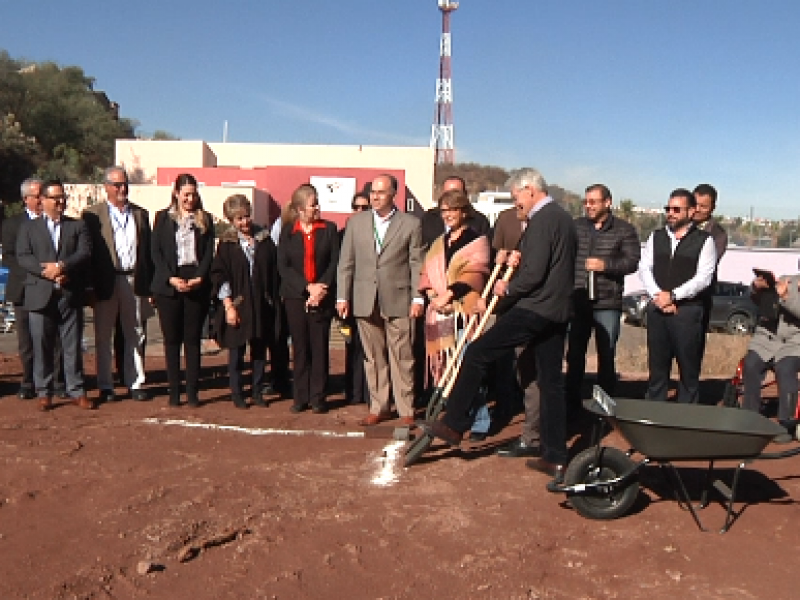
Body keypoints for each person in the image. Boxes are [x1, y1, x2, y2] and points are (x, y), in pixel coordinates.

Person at [420, 168, 577, 489]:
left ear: (530, 189)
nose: (516, 202)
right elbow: (543, 263)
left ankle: (454, 423)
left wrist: (503, 290)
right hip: (555, 310)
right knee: (550, 382)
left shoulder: (545, 219)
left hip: (537, 308)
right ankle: (555, 454)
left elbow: (533, 275)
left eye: (517, 195)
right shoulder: (560, 217)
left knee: (478, 352)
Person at [337, 174, 424, 426]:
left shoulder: (410, 224)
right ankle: (380, 406)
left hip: (399, 298)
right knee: (373, 357)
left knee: (402, 355)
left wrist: (418, 297)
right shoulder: (357, 223)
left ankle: (406, 408)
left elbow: (417, 263)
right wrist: (343, 295)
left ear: (393, 194)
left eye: (381, 192)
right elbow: (346, 263)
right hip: (365, 299)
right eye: (373, 192)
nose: (375, 196)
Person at [16, 179, 94, 411]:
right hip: (39, 294)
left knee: (72, 345)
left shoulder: (76, 226)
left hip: (69, 293)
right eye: (55, 198)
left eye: (62, 198)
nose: (60, 202)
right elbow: (23, 256)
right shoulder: (29, 228)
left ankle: (76, 389)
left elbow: (84, 252)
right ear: (43, 200)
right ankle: (44, 391)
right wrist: (46, 272)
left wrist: (62, 267)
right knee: (41, 345)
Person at [418, 189, 490, 440]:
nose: (447, 215)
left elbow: (474, 274)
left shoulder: (476, 240)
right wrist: (433, 298)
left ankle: (480, 422)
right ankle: (453, 417)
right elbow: (427, 273)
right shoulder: (440, 242)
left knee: (468, 367)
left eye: (452, 210)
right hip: (440, 312)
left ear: (463, 211)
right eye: (444, 210)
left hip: (464, 313)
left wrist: (448, 296)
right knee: (447, 369)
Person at [564, 184, 640, 420]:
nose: (588, 206)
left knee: (606, 354)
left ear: (607, 202)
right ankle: (571, 403)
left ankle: (604, 407)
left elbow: (631, 262)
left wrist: (605, 265)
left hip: (607, 301)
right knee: (574, 354)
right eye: (586, 201)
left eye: (593, 201)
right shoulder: (575, 227)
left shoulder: (624, 230)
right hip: (578, 300)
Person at [82, 166, 153, 403]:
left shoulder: (141, 214)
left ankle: (136, 382)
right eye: (117, 185)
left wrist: (149, 285)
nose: (122, 189)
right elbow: (88, 254)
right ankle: (106, 385)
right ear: (106, 187)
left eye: (125, 184)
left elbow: (148, 252)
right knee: (103, 335)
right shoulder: (92, 215)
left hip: (133, 279)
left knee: (135, 332)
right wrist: (89, 287)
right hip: (106, 280)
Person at [638, 189, 716, 404]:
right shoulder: (657, 237)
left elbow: (704, 278)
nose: (670, 213)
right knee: (657, 370)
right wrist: (658, 296)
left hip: (687, 313)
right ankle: (654, 416)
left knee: (688, 372)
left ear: (691, 211)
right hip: (657, 310)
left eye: (676, 209)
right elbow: (645, 268)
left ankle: (685, 420)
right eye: (668, 209)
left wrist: (673, 296)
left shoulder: (705, 241)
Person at [211, 194, 280, 409]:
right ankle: (237, 392)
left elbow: (273, 271)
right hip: (238, 304)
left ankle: (258, 391)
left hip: (261, 303)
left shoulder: (265, 239)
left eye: (247, 216)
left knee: (259, 350)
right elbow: (220, 275)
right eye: (239, 218)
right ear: (231, 220)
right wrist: (229, 305)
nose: (245, 222)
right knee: (236, 352)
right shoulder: (227, 243)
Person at [151, 174, 215, 407]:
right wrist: (170, 278)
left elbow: (208, 253)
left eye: (193, 194)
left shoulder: (205, 219)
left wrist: (200, 277)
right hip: (170, 283)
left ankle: (193, 392)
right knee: (172, 341)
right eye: (186, 194)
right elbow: (155, 252)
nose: (190, 198)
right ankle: (174, 392)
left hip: (196, 282)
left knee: (192, 340)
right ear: (176, 193)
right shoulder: (162, 218)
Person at [2, 178, 66, 400]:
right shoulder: (12, 225)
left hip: (54, 287)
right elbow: (11, 257)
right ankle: (29, 381)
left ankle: (58, 381)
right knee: (27, 340)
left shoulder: (55, 222)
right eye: (37, 196)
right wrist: (40, 270)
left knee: (55, 338)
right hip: (24, 288)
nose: (41, 200)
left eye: (43, 195)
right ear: (26, 199)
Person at [278, 184, 340, 414]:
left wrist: (320, 289)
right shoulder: (288, 231)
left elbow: (335, 261)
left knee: (319, 347)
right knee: (300, 347)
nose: (317, 207)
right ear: (300, 209)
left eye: (317, 203)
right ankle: (300, 396)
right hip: (295, 297)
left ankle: (318, 397)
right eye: (313, 204)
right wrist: (306, 288)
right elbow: (283, 266)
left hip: (322, 296)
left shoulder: (329, 229)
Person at [741, 272, 800, 443]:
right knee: (751, 364)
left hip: (796, 340)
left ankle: (787, 422)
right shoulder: (786, 279)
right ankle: (750, 416)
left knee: (785, 368)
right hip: (769, 336)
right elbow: (762, 305)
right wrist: (758, 290)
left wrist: (787, 297)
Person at [341, 192, 371, 405]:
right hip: (349, 303)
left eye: (365, 207)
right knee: (351, 346)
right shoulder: (342, 234)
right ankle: (352, 392)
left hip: (370, 300)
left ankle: (370, 393)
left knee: (371, 348)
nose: (360, 211)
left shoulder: (377, 235)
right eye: (356, 207)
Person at [420, 175, 491, 249]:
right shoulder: (428, 219)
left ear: (465, 194)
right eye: (447, 194)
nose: (451, 198)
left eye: (455, 193)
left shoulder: (480, 221)